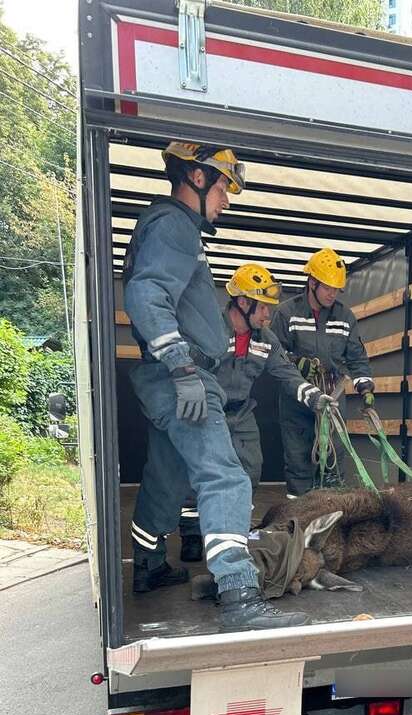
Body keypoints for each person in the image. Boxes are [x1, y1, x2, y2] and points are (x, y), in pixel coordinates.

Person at [124, 141, 312, 631]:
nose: (227, 199)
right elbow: (146, 293)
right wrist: (182, 366)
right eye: (224, 186)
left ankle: (148, 565)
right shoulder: (174, 226)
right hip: (182, 376)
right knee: (225, 476)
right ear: (197, 176)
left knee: (166, 479)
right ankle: (239, 595)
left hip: (166, 379)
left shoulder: (168, 228)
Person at [178, 262, 337, 561]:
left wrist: (315, 396)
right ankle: (191, 533)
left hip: (242, 413)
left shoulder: (266, 339)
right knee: (199, 471)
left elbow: (287, 373)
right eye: (263, 307)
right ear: (243, 302)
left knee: (251, 468)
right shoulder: (209, 329)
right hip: (208, 412)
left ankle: (236, 529)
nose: (268, 315)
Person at [271, 247, 376, 496]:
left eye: (336, 289)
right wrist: (297, 362)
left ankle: (332, 513)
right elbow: (274, 354)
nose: (332, 294)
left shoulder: (345, 317)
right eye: (328, 288)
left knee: (334, 463)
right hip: (297, 400)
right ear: (312, 282)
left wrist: (365, 387)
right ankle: (299, 513)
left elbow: (357, 357)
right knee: (298, 461)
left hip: (333, 399)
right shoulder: (287, 313)